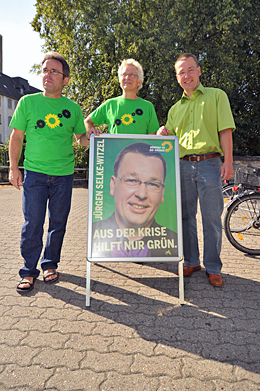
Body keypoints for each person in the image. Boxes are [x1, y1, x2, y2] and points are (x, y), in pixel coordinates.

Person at [9, 52, 89, 294]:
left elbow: (81, 139)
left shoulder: (72, 108)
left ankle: (50, 264)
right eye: (45, 70)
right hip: (34, 175)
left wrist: (93, 136)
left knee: (58, 223)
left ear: (65, 80)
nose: (48, 75)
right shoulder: (28, 102)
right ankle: (28, 271)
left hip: (64, 176)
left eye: (54, 71)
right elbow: (16, 137)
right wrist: (13, 168)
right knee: (32, 223)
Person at [157, 53, 235, 287]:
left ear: (199, 71)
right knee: (185, 217)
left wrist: (228, 161)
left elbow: (225, 130)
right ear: (177, 77)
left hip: (210, 164)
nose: (186, 75)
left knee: (211, 218)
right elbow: (168, 137)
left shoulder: (217, 96)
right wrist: (163, 132)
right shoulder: (174, 109)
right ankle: (192, 261)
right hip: (182, 165)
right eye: (181, 72)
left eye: (190, 70)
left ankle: (213, 267)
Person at [91, 142, 178, 258]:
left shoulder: (175, 243)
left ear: (162, 192)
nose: (141, 194)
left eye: (153, 184)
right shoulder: (93, 236)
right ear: (113, 185)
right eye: (131, 181)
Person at [84, 58, 159, 136]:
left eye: (132, 75)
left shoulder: (148, 107)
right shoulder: (110, 104)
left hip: (139, 148)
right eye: (124, 74)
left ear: (139, 82)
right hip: (114, 148)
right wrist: (91, 130)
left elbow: (152, 139)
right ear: (120, 80)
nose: (127, 78)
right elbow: (87, 122)